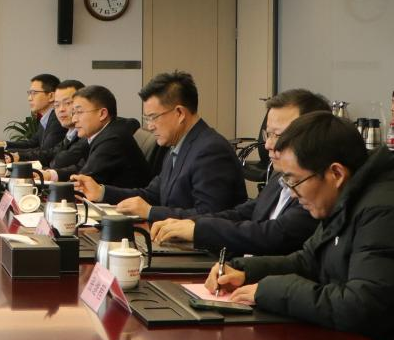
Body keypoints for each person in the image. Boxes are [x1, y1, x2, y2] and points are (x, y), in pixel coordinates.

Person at [206, 111, 394, 340]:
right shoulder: (344, 197)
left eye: (295, 181)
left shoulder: (382, 210)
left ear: (336, 173)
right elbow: (308, 261)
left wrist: (270, 290)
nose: (293, 194)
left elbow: (362, 307)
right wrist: (245, 271)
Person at [151, 89, 328, 254]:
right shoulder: (279, 176)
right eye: (268, 134)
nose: (268, 145)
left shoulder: (318, 187)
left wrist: (199, 230)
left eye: (279, 135)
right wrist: (191, 223)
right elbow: (244, 213)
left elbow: (273, 234)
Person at [73, 71, 246, 221]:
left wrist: (151, 212)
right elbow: (152, 194)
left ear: (179, 113)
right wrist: (101, 192)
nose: (150, 126)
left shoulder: (211, 150)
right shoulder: (177, 145)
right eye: (147, 118)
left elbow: (210, 215)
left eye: (153, 117)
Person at [46, 85, 150, 188]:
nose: (74, 119)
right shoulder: (100, 134)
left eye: (79, 112)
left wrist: (48, 188)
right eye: (73, 113)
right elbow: (81, 167)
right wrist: (49, 175)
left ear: (102, 114)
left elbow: (83, 182)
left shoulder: (112, 139)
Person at [0, 73, 65, 162]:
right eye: (29, 93)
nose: (29, 98)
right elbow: (32, 143)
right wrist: (1, 145)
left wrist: (14, 155)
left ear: (51, 96)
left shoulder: (58, 119)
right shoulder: (46, 118)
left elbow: (46, 153)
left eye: (34, 93)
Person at [39, 79, 87, 169]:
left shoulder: (88, 134)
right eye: (57, 105)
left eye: (67, 103)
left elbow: (59, 162)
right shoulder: (70, 133)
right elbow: (50, 153)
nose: (61, 109)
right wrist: (17, 156)